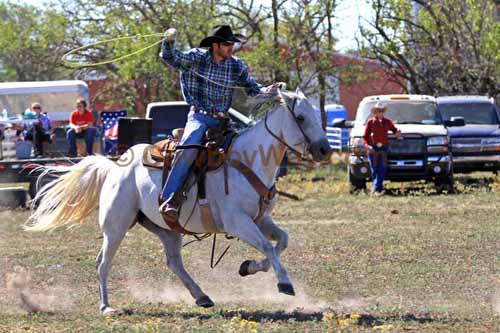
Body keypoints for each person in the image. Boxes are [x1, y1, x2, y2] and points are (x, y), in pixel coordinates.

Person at [158, 24, 276, 221]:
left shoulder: (235, 65)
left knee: (247, 147)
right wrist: (168, 42)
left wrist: (270, 91)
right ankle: (171, 199)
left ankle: (247, 200)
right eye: (227, 44)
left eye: (232, 44)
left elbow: (253, 89)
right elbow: (172, 58)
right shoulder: (197, 58)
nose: (231, 47)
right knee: (188, 149)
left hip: (223, 122)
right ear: (215, 45)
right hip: (199, 118)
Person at [362, 102, 401, 196]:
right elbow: (364, 137)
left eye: (381, 111)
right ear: (374, 112)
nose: (379, 113)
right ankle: (378, 189)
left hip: (383, 148)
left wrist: (397, 132)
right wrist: (367, 146)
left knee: (382, 168)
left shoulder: (387, 122)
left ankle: (375, 190)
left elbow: (394, 129)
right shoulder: (370, 122)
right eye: (377, 111)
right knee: (374, 169)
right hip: (373, 148)